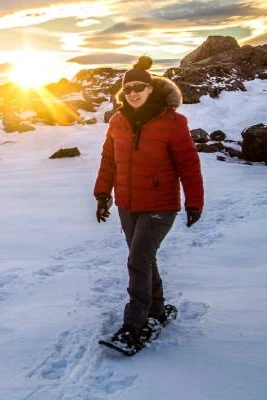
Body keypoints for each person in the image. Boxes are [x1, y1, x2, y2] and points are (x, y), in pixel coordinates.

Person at [93, 56, 204, 349]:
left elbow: (189, 165)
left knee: (138, 260)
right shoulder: (117, 121)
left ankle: (135, 325)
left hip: (160, 205)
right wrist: (103, 194)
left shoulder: (173, 122)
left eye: (140, 86)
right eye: (128, 87)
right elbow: (109, 160)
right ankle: (156, 311)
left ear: (151, 88)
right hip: (127, 203)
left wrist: (195, 202)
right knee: (144, 259)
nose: (133, 92)